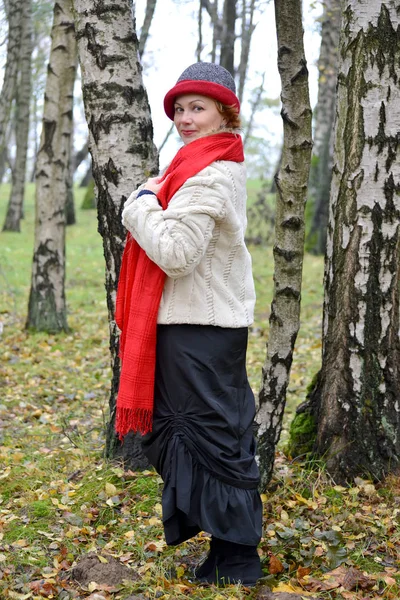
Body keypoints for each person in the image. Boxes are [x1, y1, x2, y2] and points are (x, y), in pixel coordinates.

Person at [115, 62, 263, 587]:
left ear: (225, 113)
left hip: (202, 327)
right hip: (190, 325)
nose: (184, 118)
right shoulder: (190, 168)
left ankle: (239, 560)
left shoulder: (212, 174)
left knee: (213, 439)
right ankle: (226, 553)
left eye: (196, 107)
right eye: (178, 109)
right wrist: (156, 198)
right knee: (191, 436)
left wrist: (139, 208)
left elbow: (176, 253)